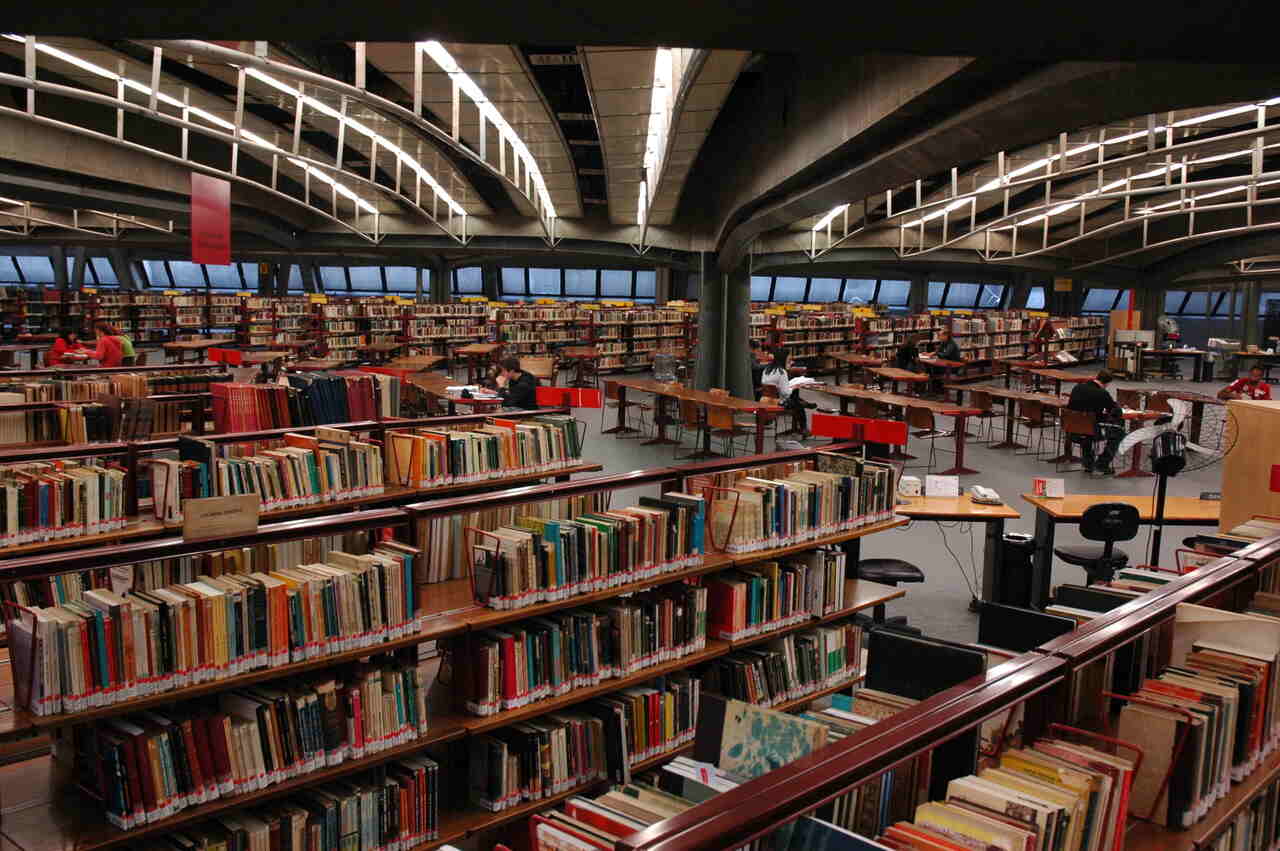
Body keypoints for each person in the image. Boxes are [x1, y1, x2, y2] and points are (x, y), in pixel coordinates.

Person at [1067, 369, 1125, 475]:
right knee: (1119, 432)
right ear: (1107, 383)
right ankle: (1102, 463)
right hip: (1092, 431)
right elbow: (1116, 411)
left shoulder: (1077, 387)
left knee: (1086, 428)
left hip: (1072, 429)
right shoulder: (1102, 393)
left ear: (1097, 377)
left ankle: (1088, 463)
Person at [922, 327, 963, 393]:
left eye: (940, 335)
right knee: (930, 368)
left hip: (952, 366)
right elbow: (937, 351)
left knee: (933, 369)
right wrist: (928, 354)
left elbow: (946, 354)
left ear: (946, 336)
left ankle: (938, 389)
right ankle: (935, 389)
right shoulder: (943, 342)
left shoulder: (951, 344)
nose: (938, 337)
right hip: (944, 364)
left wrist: (934, 355)